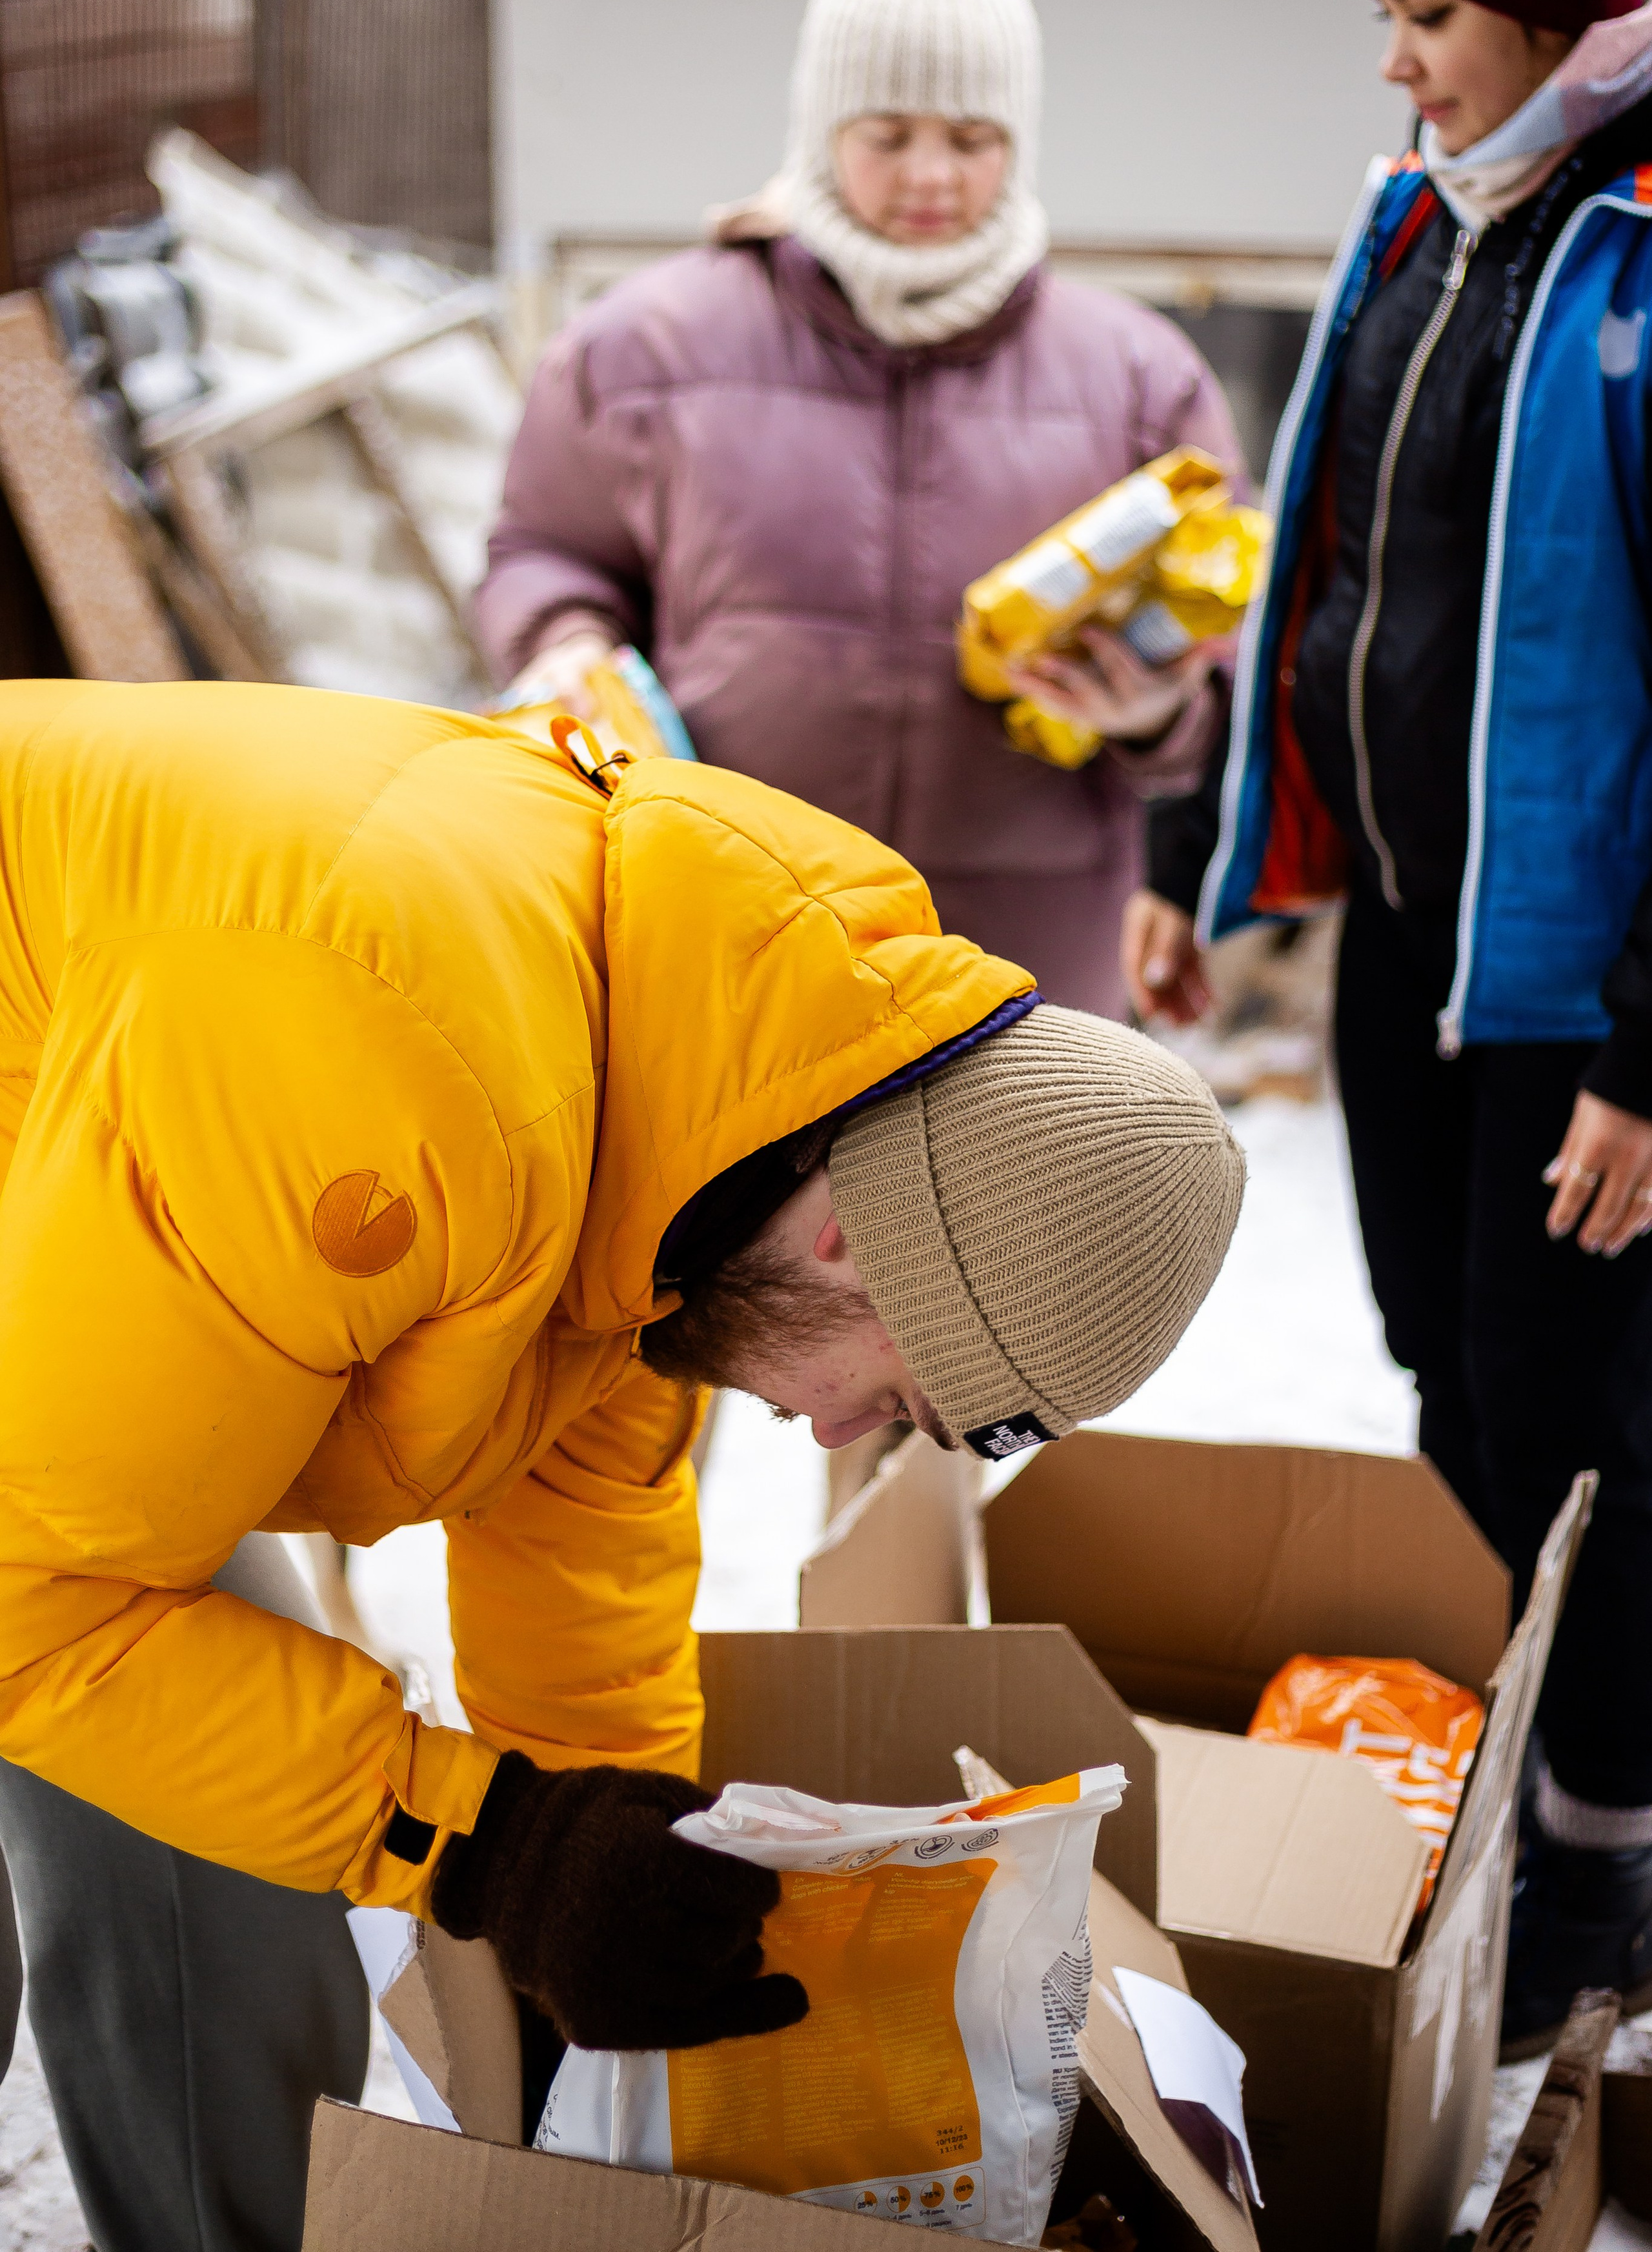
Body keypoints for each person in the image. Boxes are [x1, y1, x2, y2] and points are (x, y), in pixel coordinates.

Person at [0, 677, 1242, 2252]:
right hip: (96, 1248)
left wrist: (615, 1957)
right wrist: (493, 1847)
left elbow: (578, 1639)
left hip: (80, 1239)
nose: (851, 1435)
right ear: (858, 1244)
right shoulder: (415, 1080)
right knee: (129, 1706)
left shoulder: (677, 1193)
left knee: (210, 1816)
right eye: (907, 1400)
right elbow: (39, 1607)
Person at [1117, 0, 1652, 2055]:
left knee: (1590, 1445)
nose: (1392, 56)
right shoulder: (1420, 225)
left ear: (1543, 9)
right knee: (1452, 1404)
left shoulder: (1635, 241)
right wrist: (1196, 865)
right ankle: (1496, 1818)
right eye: (1384, 7)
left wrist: (1649, 1048)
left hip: (1576, 1005)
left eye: (1425, 8)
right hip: (1408, 963)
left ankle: (1603, 1874)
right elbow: (1319, 582)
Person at [473, 0, 1245, 1021]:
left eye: (973, 139)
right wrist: (566, 643)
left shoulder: (1136, 379)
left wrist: (1157, 714)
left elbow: (1237, 660)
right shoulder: (644, 348)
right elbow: (545, 550)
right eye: (886, 134)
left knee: (1008, 1205)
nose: (931, 176)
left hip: (1023, 966)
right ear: (819, 127)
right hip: (733, 930)